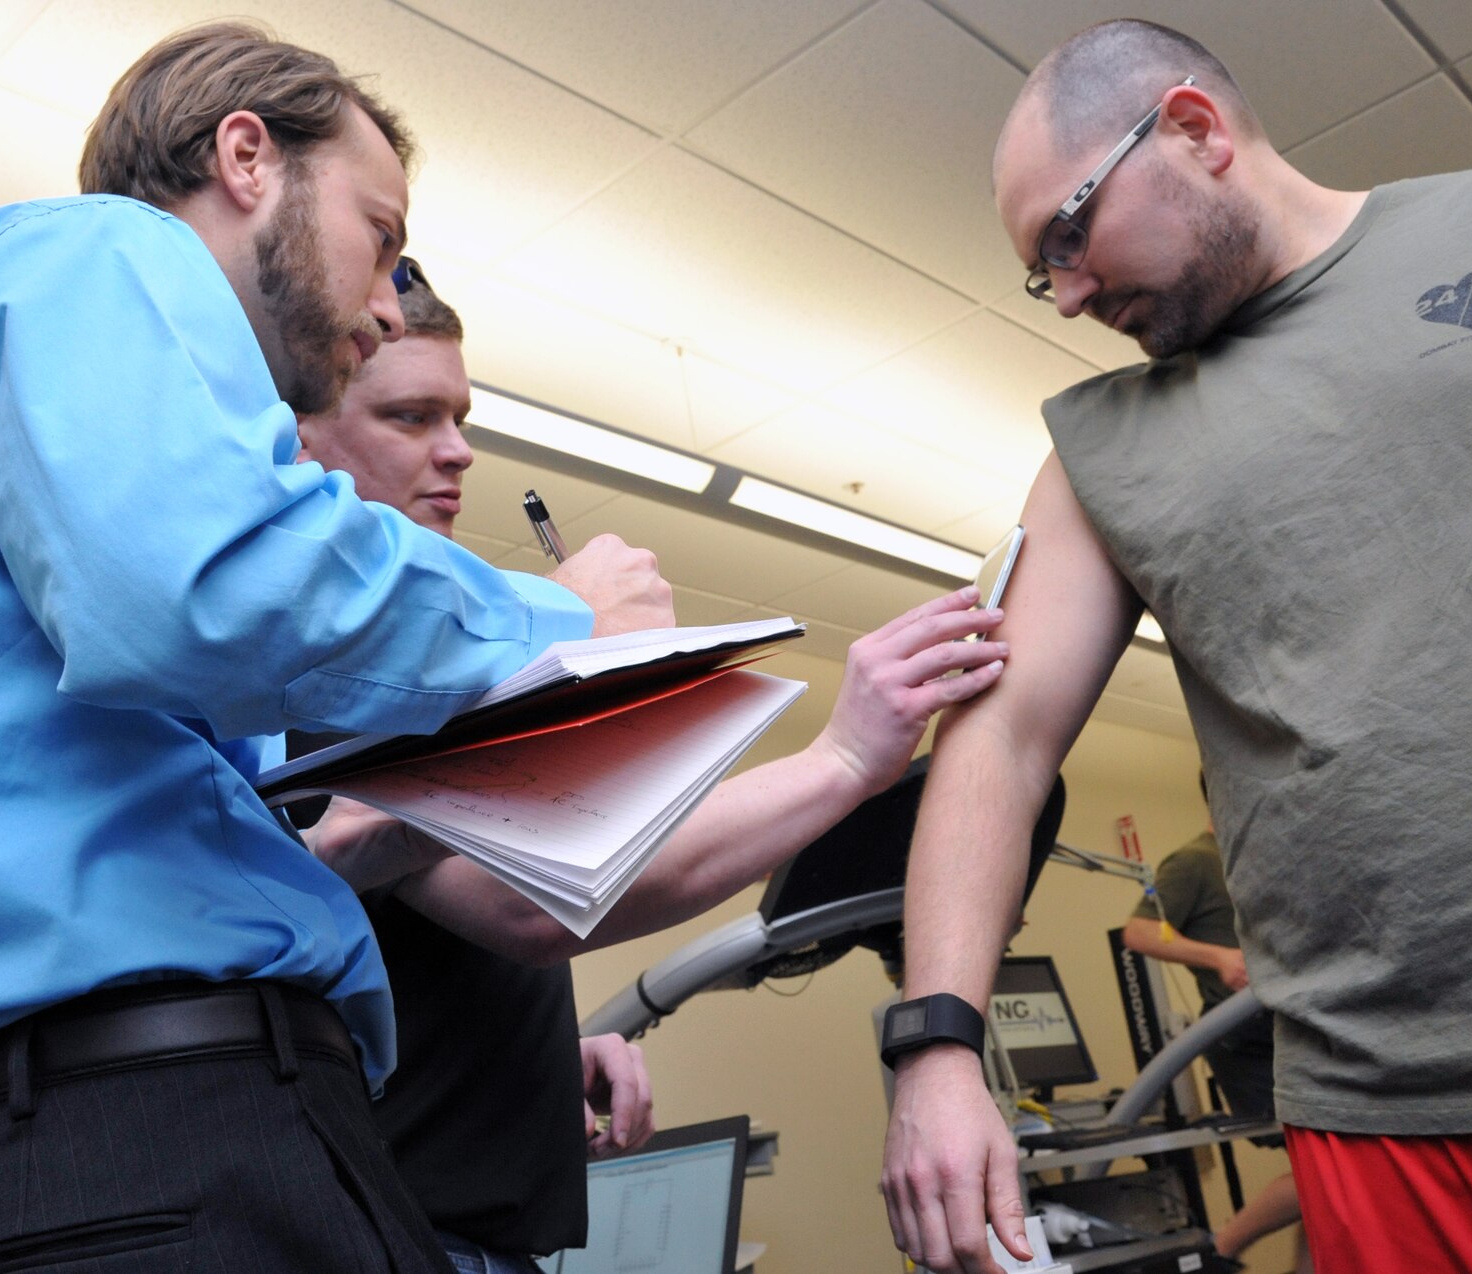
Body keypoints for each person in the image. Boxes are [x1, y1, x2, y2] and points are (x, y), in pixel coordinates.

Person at [0, 22, 677, 1274]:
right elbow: (203, 589)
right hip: (141, 1139)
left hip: (61, 1145)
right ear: (247, 157)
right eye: (381, 234)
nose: (386, 300)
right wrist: (562, 624)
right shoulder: (101, 250)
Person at [879, 17, 1472, 1274]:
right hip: (1377, 1115)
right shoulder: (1095, 457)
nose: (1064, 291)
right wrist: (937, 1045)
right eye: (1037, 270)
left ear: (1191, 128)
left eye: (1068, 233)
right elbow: (996, 741)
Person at [294, 269, 1011, 1274]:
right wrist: (844, 756)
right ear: (300, 440)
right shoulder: (328, 657)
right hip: (407, 1235)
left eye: (458, 416)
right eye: (411, 416)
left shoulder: (412, 654)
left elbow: (444, 910)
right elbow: (530, 901)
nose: (456, 449)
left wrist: (546, 1051)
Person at [1121, 796, 1305, 1272]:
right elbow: (1141, 932)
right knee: (1321, 1168)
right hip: (1240, 1037)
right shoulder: (1194, 862)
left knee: (1333, 1169)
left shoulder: (1253, 864)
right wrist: (1218, 958)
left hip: (1284, 1031)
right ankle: (1217, 1252)